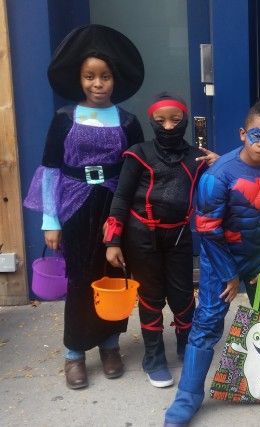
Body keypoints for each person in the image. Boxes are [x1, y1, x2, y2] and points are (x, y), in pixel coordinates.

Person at [164, 100, 260, 426]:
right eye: (257, 136)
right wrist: (228, 274)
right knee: (208, 322)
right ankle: (189, 394)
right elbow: (207, 231)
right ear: (243, 134)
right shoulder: (219, 175)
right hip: (220, 260)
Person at [23, 24, 144, 390]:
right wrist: (50, 220)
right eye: (89, 76)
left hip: (113, 206)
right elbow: (50, 171)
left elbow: (137, 171)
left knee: (110, 276)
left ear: (115, 79)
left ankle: (109, 345)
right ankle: (74, 352)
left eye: (104, 76)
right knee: (79, 280)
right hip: (74, 205)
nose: (97, 84)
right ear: (79, 79)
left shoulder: (128, 121)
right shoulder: (64, 119)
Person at [103, 93, 218, 388]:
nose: (168, 126)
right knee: (151, 296)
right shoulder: (138, 153)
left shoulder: (198, 157)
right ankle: (153, 356)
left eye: (175, 120)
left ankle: (185, 345)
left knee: (182, 295)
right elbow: (121, 197)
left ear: (186, 121)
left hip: (179, 234)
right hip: (141, 236)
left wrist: (219, 163)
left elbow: (228, 177)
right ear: (152, 122)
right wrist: (113, 241)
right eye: (161, 120)